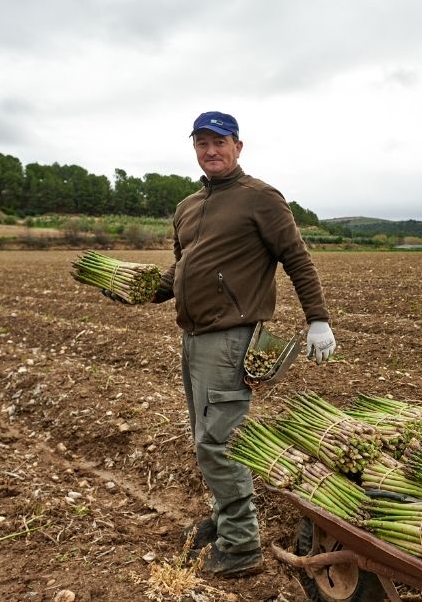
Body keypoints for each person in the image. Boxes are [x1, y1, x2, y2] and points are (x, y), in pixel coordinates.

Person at [109, 110, 336, 578]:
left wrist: (318, 319)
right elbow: (181, 270)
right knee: (203, 438)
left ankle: (240, 545)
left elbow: (296, 258)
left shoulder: (260, 198)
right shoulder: (188, 206)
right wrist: (143, 290)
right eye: (201, 143)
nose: (210, 150)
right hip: (193, 337)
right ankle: (222, 518)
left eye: (219, 141)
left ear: (238, 146)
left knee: (220, 442)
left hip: (231, 338)